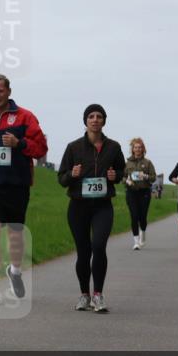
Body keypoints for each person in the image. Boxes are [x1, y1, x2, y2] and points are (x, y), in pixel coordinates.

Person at [0, 74, 48, 303]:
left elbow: (41, 147)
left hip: (17, 184)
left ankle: (14, 270)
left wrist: (19, 143)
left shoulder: (25, 116)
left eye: (0, 91)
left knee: (15, 233)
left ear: (8, 92)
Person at [58, 104, 125, 313]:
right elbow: (61, 178)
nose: (95, 120)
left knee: (98, 246)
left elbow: (121, 171)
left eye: (99, 116)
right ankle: (84, 295)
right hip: (78, 206)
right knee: (83, 252)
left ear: (104, 121)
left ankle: (98, 295)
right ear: (85, 121)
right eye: (91, 116)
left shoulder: (113, 147)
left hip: (102, 206)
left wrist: (116, 177)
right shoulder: (73, 147)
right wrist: (72, 175)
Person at [122, 137, 157, 250]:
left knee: (142, 217)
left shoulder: (147, 163)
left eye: (140, 147)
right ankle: (136, 242)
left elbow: (153, 177)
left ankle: (143, 232)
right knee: (134, 216)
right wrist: (127, 181)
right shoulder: (128, 163)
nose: (138, 149)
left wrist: (145, 176)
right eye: (136, 147)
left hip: (144, 192)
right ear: (132, 149)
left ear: (143, 149)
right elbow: (122, 177)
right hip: (131, 192)